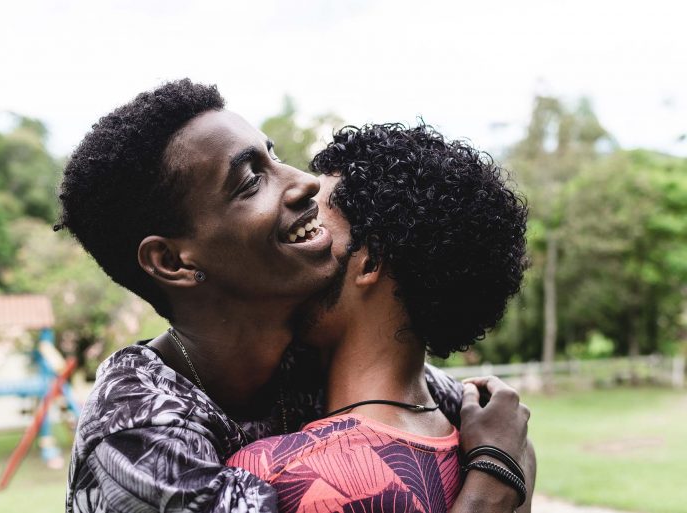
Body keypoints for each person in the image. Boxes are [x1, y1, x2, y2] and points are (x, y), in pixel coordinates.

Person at [57, 80, 533, 513]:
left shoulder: (308, 356)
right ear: (172, 261)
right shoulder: (137, 435)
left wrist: (504, 439)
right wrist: (494, 482)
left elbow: (490, 420)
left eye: (274, 156)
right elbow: (503, 455)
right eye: (251, 181)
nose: (305, 181)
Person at [228, 123, 533, 512]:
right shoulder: (510, 453)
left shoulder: (275, 475)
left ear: (369, 261)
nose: (290, 250)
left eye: (312, 228)